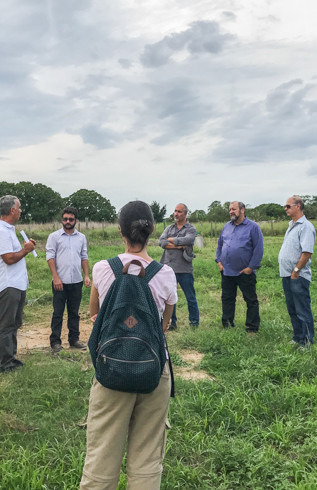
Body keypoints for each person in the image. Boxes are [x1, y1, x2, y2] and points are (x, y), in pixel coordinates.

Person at [80, 200, 177, 489]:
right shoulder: (166, 274)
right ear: (151, 232)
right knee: (147, 459)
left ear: (121, 231)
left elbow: (94, 315)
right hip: (153, 370)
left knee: (101, 454)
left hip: (111, 369)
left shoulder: (102, 269)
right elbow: (164, 327)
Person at [0, 195, 36, 373]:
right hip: (8, 285)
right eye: (19, 207)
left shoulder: (8, 230)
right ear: (12, 210)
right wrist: (26, 250)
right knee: (7, 324)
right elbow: (8, 258)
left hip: (16, 284)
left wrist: (25, 247)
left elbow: (13, 254)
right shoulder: (1, 232)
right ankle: (5, 363)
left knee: (14, 323)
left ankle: (11, 357)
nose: (21, 210)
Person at [45, 206, 90, 353]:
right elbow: (50, 257)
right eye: (65, 219)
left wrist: (86, 276)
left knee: (74, 312)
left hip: (76, 281)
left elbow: (84, 257)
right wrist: (55, 277)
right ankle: (55, 342)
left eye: (71, 219)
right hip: (60, 282)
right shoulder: (54, 237)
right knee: (58, 312)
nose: (68, 221)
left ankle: (74, 339)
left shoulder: (81, 238)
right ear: (62, 220)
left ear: (76, 220)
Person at [215, 201, 263, 332]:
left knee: (250, 300)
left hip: (244, 272)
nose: (231, 211)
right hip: (227, 271)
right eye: (230, 209)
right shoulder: (227, 226)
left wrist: (250, 268)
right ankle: (227, 324)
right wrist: (219, 261)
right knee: (227, 298)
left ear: (242, 210)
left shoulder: (253, 227)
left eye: (234, 209)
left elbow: (258, 249)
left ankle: (252, 328)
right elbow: (220, 245)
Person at [278, 196, 316, 346]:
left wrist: (296, 270)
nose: (285, 209)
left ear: (298, 206)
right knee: (292, 309)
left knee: (302, 309)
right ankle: (298, 337)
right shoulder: (291, 225)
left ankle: (307, 341)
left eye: (288, 206)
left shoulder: (305, 226)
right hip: (287, 274)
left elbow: (307, 252)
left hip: (297, 275)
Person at [159, 203, 199, 329]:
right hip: (169, 268)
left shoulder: (191, 228)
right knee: (170, 298)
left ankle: (194, 323)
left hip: (184, 268)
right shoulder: (169, 228)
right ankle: (172, 323)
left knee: (190, 297)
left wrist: (170, 240)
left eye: (179, 212)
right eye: (175, 211)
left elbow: (188, 240)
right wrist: (178, 245)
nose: (176, 214)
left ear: (185, 214)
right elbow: (161, 242)